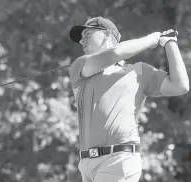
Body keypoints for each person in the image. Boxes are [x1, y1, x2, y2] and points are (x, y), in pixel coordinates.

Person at [68, 17, 189, 182]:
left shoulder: (139, 71)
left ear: (107, 35)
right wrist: (151, 39)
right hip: (86, 165)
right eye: (81, 37)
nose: (82, 40)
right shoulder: (80, 66)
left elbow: (180, 85)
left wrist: (169, 43)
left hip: (118, 160)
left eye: (87, 34)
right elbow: (115, 53)